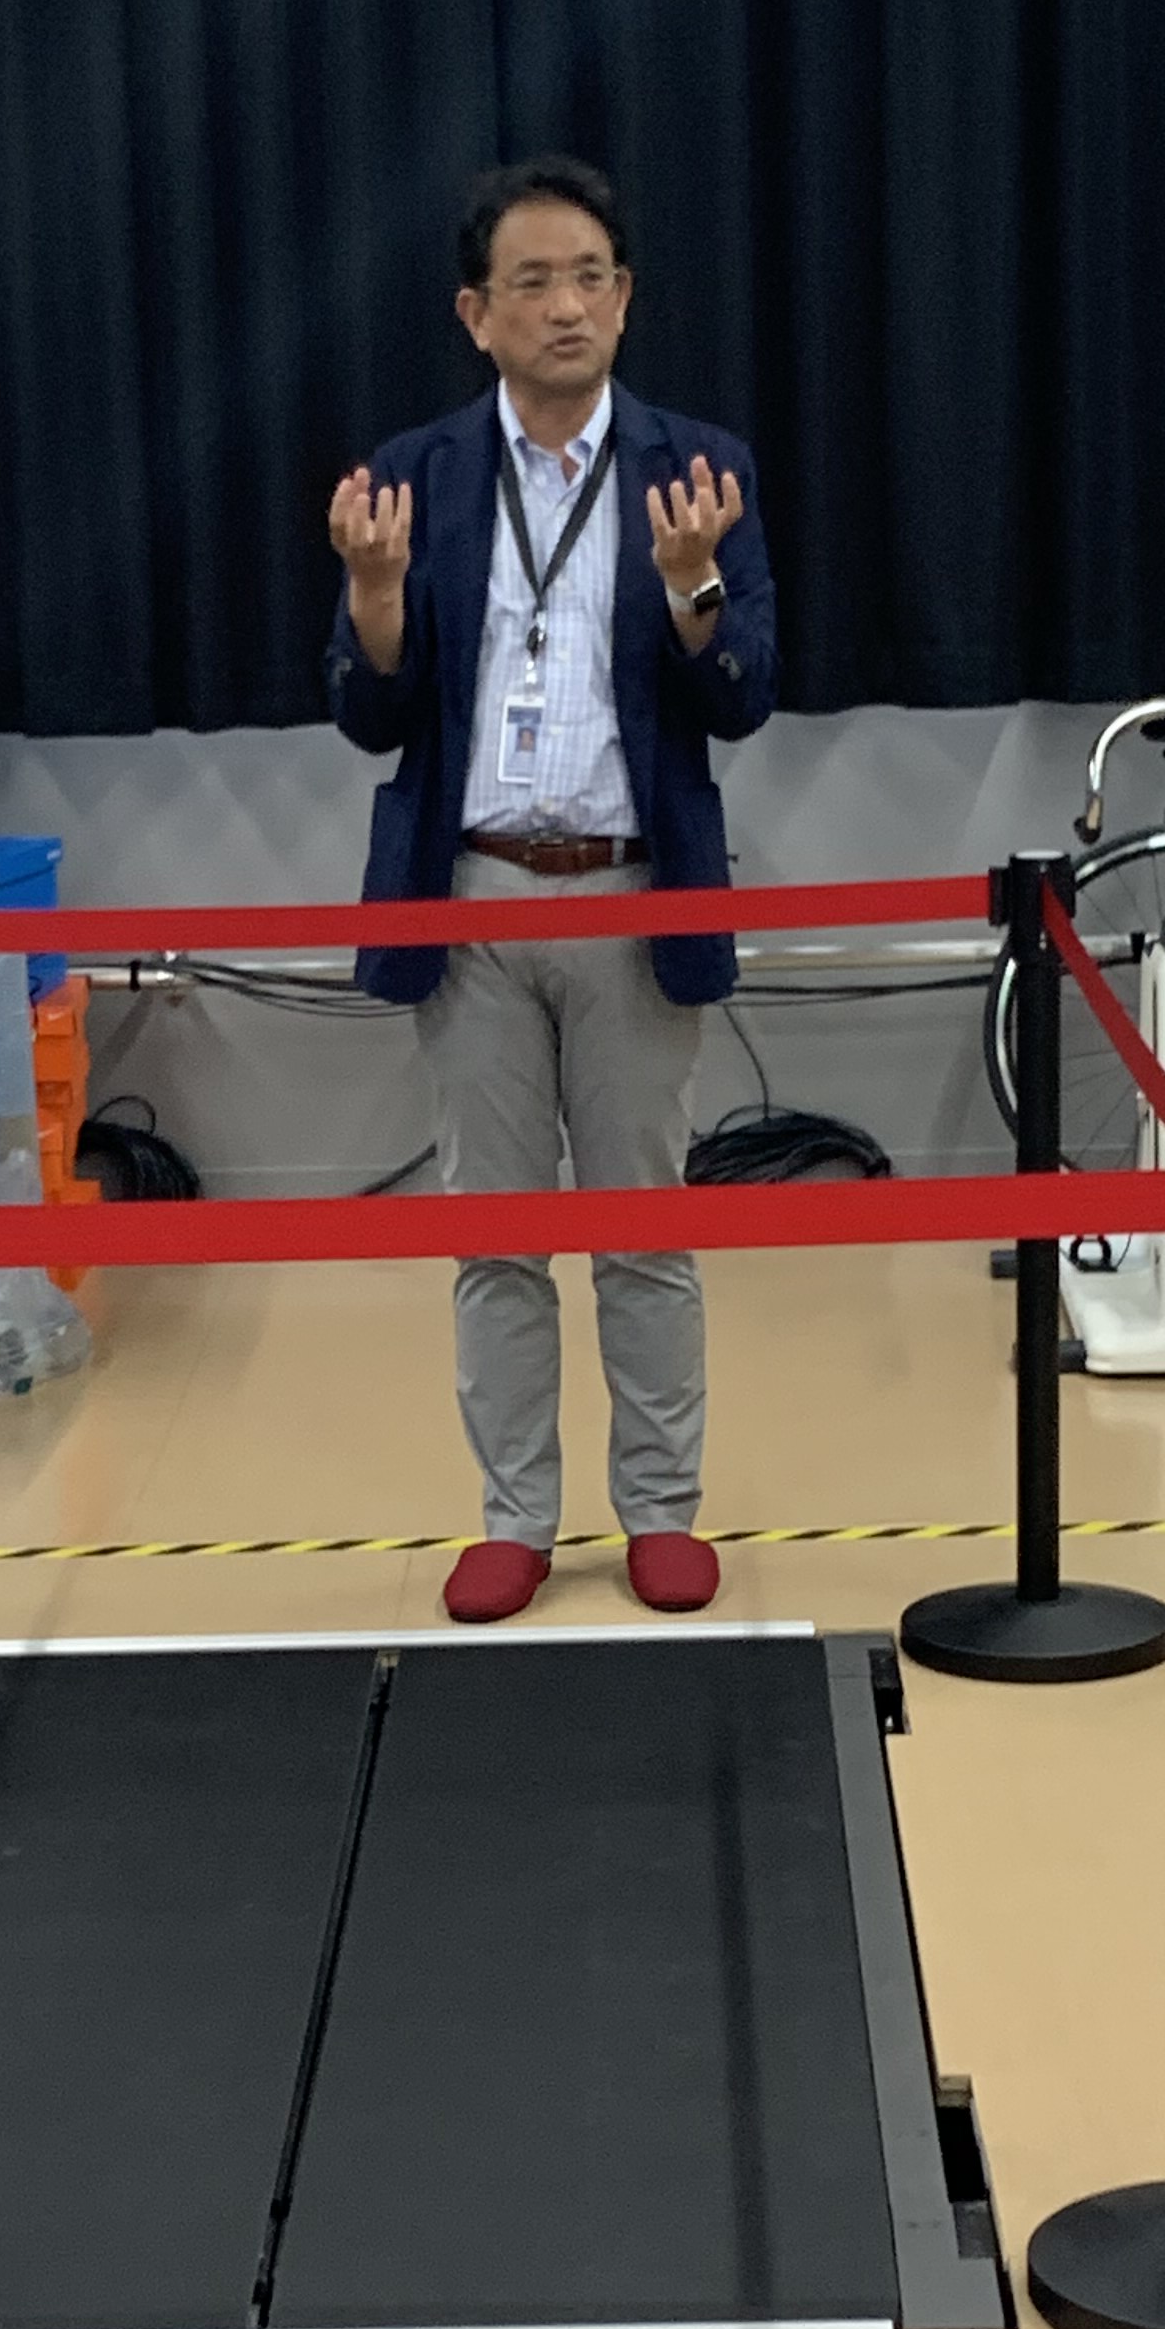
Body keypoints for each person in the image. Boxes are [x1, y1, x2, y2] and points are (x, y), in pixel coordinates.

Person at [325, 154, 779, 1624]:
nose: (567, 306)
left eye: (591, 277)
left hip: (634, 895)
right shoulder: (415, 475)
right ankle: (516, 1518)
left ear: (626, 298)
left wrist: (694, 581)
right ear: (477, 314)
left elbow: (743, 694)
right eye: (532, 282)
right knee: (495, 1237)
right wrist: (375, 596)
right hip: (472, 897)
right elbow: (369, 714)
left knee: (645, 1228)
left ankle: (660, 1511)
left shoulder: (696, 469)